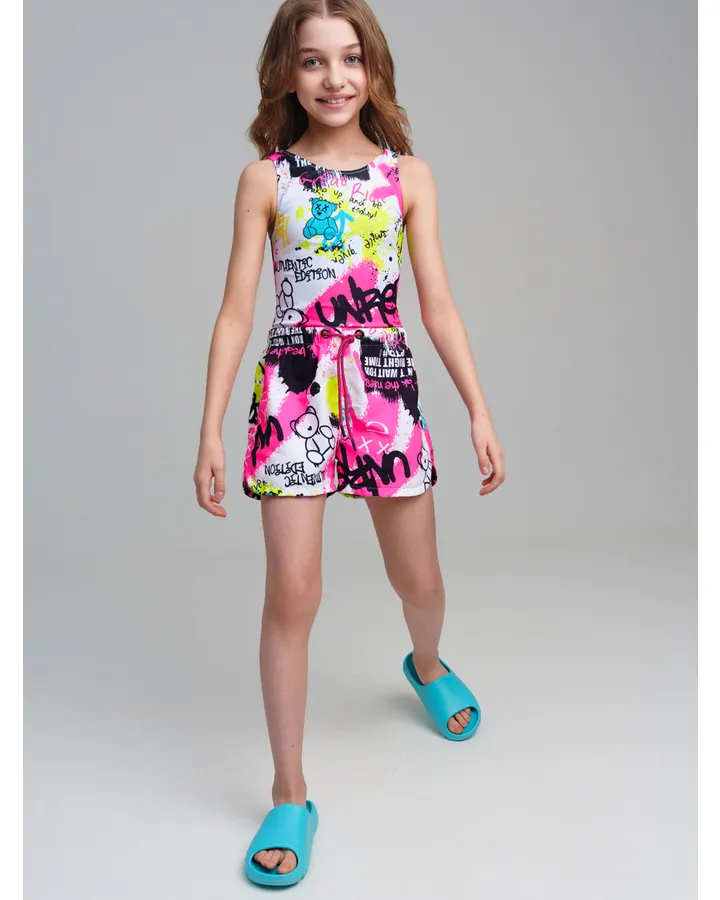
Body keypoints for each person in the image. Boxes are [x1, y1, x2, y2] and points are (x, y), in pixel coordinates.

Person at [193, 0, 506, 887]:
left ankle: (427, 665)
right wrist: (209, 427)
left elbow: (437, 303)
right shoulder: (265, 180)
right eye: (313, 61)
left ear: (373, 69)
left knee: (420, 580)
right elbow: (235, 312)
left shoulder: (410, 178)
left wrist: (478, 408)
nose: (335, 78)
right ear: (286, 75)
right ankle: (290, 794)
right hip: (293, 394)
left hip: (384, 389)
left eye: (350, 58)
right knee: (292, 595)